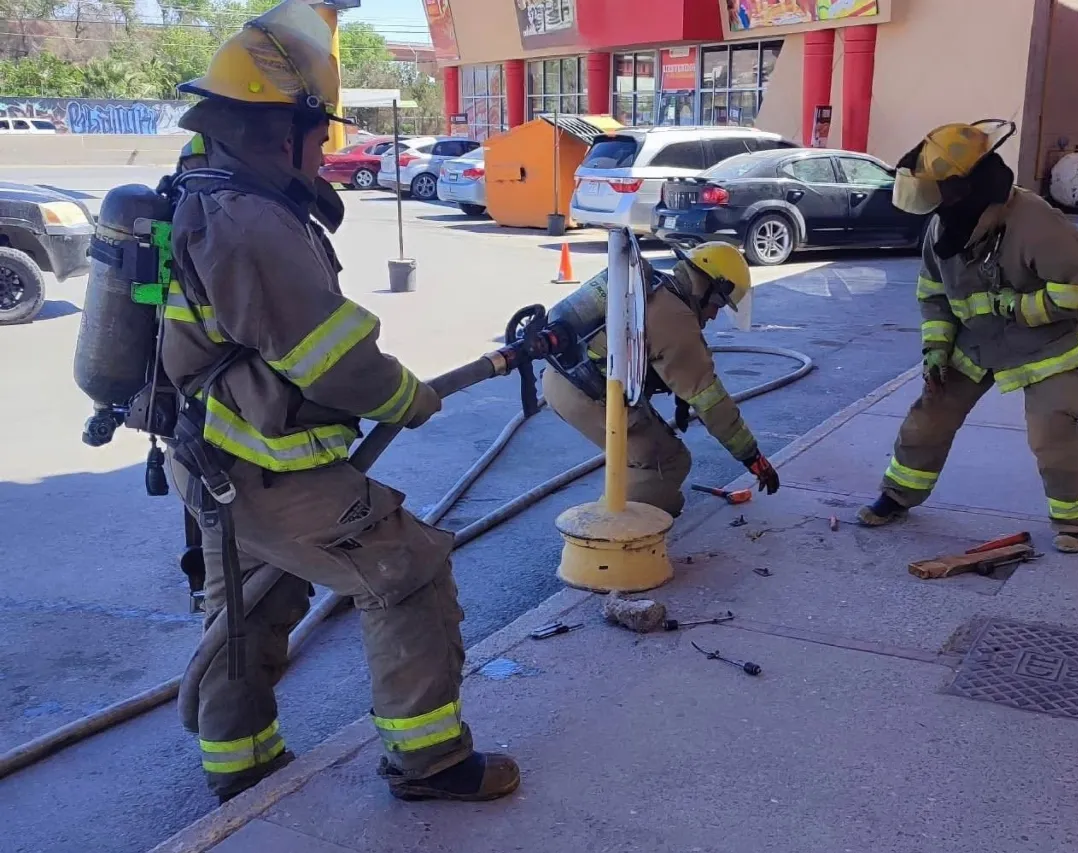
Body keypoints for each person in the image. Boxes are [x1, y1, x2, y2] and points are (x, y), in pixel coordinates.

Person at [160, 0, 519, 804]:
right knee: (409, 568)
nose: (327, 147)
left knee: (252, 606)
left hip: (213, 456)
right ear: (273, 126)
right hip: (263, 465)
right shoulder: (249, 220)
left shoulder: (205, 186)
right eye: (318, 131)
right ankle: (429, 761)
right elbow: (332, 359)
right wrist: (408, 397)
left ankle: (240, 765)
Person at [856, 120, 1078, 554]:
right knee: (929, 416)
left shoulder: (1037, 224)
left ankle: (1075, 522)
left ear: (967, 190)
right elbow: (933, 293)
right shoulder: (943, 228)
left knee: (1053, 433)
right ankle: (898, 494)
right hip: (974, 344)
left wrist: (1019, 308)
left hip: (1042, 348)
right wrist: (936, 347)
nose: (936, 210)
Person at [542, 241, 780, 517]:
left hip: (564, 378)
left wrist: (680, 399)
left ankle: (636, 514)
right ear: (706, 287)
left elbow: (656, 358)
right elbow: (711, 400)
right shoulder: (675, 316)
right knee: (668, 462)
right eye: (717, 304)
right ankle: (604, 536)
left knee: (661, 484)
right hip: (585, 394)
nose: (715, 315)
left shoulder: (657, 288)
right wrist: (752, 457)